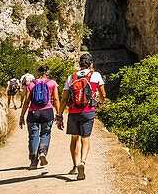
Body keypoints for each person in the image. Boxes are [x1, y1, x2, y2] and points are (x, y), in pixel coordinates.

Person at [57, 53, 105, 181]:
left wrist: (59, 115)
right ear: (91, 63)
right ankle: (82, 162)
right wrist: (99, 103)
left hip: (73, 112)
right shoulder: (96, 75)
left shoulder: (71, 77)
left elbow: (64, 99)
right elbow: (103, 94)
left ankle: (74, 165)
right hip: (88, 111)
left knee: (74, 139)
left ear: (80, 63)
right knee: (86, 138)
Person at [19, 65, 59, 169]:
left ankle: (33, 161)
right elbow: (56, 100)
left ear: (37, 73)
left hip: (33, 112)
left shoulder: (31, 84)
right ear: (47, 72)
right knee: (45, 133)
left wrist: (21, 116)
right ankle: (42, 153)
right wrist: (59, 114)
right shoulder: (52, 83)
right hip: (47, 111)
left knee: (33, 136)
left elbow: (26, 102)